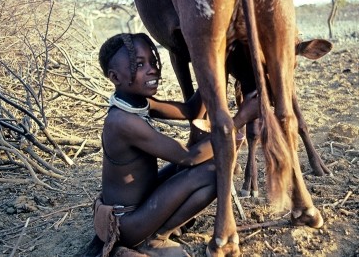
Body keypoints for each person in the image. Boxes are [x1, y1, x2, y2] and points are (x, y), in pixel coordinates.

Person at [92, 33, 258, 257]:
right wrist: (240, 119)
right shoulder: (122, 122)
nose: (152, 70)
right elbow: (188, 156)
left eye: (153, 61)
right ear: (115, 77)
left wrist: (214, 71)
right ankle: (153, 239)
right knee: (213, 172)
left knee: (198, 165)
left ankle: (159, 226)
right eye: (139, 65)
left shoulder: (137, 102)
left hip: (141, 203)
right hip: (127, 224)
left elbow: (190, 111)